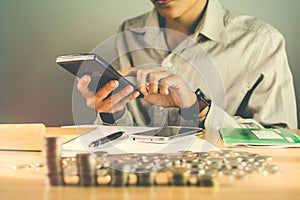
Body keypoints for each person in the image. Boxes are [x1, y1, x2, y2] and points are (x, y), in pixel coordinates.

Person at [77, 0, 297, 130]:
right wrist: (110, 112)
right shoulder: (129, 34)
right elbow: (126, 134)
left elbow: (283, 140)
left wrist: (198, 108)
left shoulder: (261, 42)